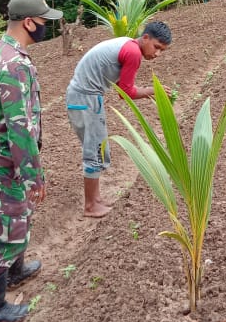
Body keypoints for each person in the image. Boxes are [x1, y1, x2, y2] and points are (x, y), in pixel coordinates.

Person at [0, 0, 62, 322]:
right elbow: (20, 130)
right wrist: (33, 177)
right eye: (43, 22)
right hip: (4, 162)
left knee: (17, 217)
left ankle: (15, 271)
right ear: (28, 22)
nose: (45, 27)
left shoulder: (2, 49)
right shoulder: (13, 65)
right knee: (8, 230)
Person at [66, 20, 173, 218]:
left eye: (162, 51)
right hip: (85, 98)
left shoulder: (128, 44)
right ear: (146, 37)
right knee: (95, 148)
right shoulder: (133, 53)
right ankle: (90, 205)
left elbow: (122, 85)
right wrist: (153, 91)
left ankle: (96, 200)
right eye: (157, 47)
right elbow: (125, 93)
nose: (157, 54)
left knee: (98, 145)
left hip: (83, 96)